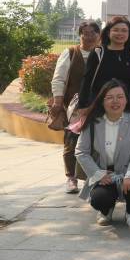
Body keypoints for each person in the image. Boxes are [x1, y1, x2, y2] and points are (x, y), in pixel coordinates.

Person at [75, 79, 130, 230]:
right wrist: (98, 174)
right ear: (102, 101)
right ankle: (106, 210)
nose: (115, 101)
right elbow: (81, 151)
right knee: (99, 199)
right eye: (109, 97)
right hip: (104, 173)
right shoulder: (93, 122)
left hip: (126, 171)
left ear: (126, 100)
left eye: (120, 97)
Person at [50, 20, 100, 194]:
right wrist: (58, 101)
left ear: (99, 35)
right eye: (85, 33)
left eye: (93, 33)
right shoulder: (71, 53)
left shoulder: (102, 53)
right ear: (80, 35)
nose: (89, 36)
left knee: (96, 142)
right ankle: (71, 177)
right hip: (74, 107)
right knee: (72, 141)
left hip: (97, 105)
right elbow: (59, 78)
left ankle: (92, 177)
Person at [77, 16, 130, 112]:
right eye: (116, 30)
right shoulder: (98, 52)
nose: (120, 33)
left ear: (129, 34)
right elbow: (87, 80)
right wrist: (82, 106)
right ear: (108, 32)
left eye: (124, 30)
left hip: (122, 107)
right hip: (98, 106)